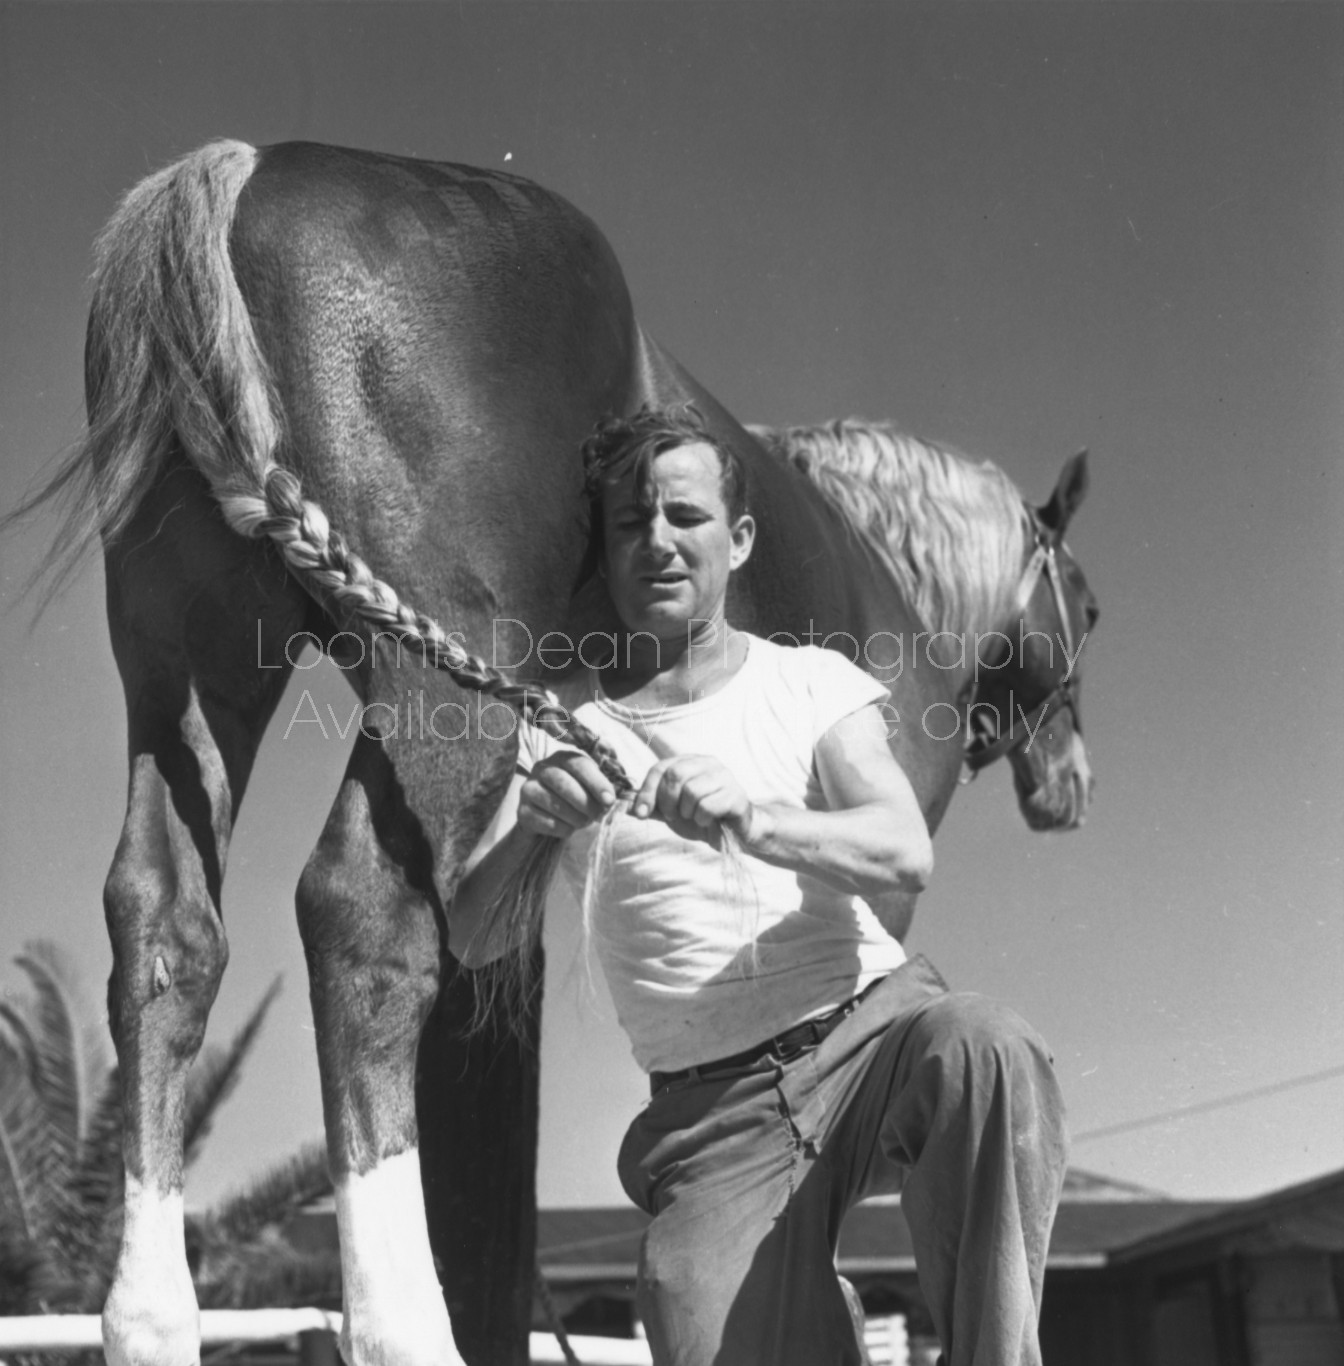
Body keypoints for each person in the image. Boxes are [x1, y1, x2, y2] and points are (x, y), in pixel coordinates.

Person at [450, 405, 1067, 1366]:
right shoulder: (558, 726)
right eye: (629, 523)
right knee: (682, 1297)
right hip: (712, 1116)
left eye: (685, 517)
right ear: (606, 554)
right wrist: (533, 829)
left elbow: (904, 848)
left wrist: (755, 819)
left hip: (871, 1038)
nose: (657, 540)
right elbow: (473, 937)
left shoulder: (813, 683)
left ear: (736, 542)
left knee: (988, 1049)